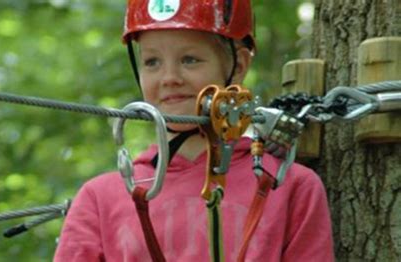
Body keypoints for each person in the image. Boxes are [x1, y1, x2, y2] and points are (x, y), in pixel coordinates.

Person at [54, 0, 334, 261]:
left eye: (190, 59)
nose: (169, 78)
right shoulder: (101, 198)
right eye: (152, 62)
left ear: (238, 66)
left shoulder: (289, 187)